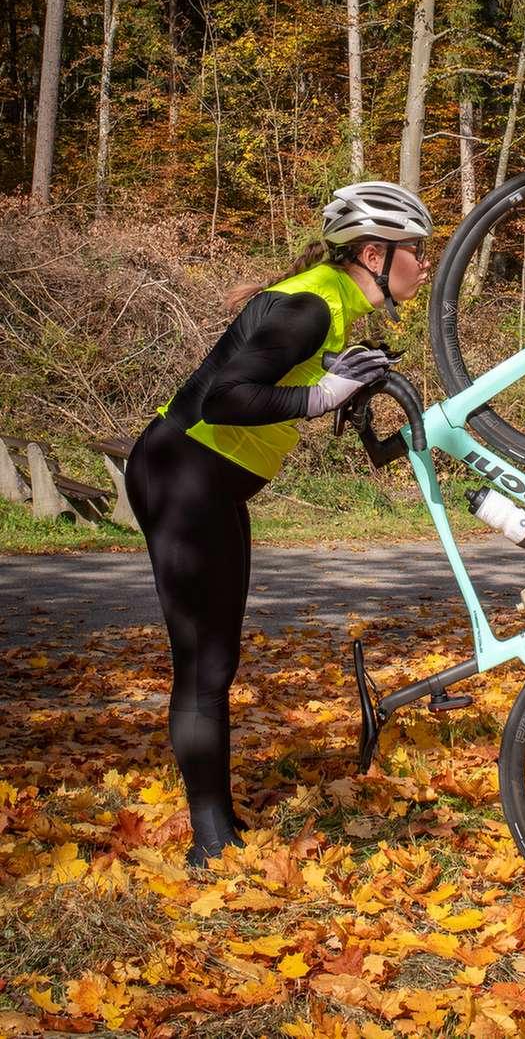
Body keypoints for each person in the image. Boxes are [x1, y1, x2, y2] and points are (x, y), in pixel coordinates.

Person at [125, 181, 433, 866]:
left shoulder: (331, 302)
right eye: (417, 249)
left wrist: (347, 385)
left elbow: (275, 378)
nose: (425, 261)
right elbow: (227, 397)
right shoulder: (312, 305)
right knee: (204, 664)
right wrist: (322, 394)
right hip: (184, 471)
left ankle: (220, 823)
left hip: (204, 479)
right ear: (376, 252)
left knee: (218, 660)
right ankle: (210, 842)